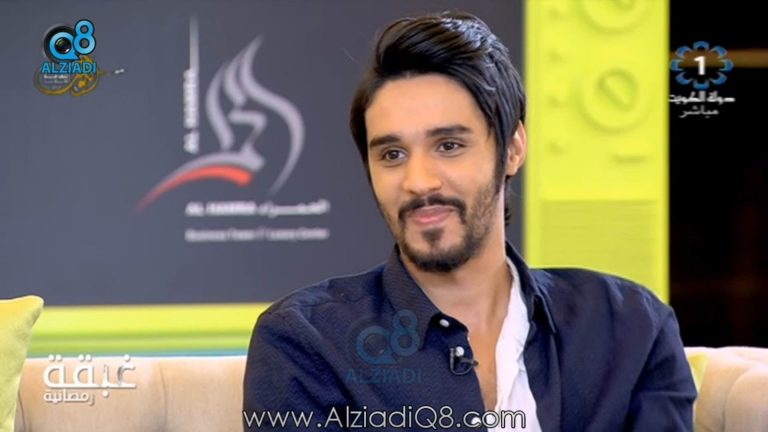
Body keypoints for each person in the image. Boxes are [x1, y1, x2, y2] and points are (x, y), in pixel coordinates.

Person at [243, 11, 696, 431]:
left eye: (449, 146)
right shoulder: (307, 341)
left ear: (512, 148)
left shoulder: (630, 328)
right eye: (392, 154)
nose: (418, 182)